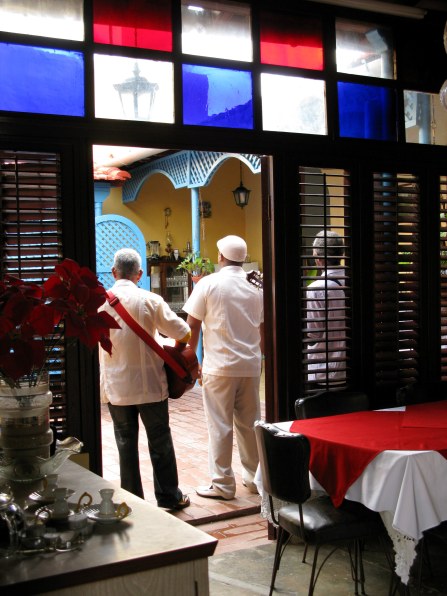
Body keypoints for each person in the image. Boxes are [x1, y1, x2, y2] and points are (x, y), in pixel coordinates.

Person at [99, 248, 191, 510]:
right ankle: (169, 498)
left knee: (125, 444)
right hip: (151, 385)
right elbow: (182, 332)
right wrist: (165, 342)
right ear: (139, 274)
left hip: (117, 387)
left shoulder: (100, 304)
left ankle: (133, 502)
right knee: (160, 442)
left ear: (114, 272)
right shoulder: (151, 300)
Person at [183, 235, 264, 500]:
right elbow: (263, 329)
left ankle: (222, 485)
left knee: (220, 426)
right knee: (250, 425)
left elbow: (192, 325)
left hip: (219, 367)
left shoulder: (209, 283)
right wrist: (259, 359)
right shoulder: (257, 286)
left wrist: (191, 360)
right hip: (250, 366)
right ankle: (254, 479)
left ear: (220, 257)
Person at [306, 230, 346, 386]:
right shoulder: (354, 279)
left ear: (318, 258)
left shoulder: (317, 288)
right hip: (351, 369)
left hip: (324, 371)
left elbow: (313, 333)